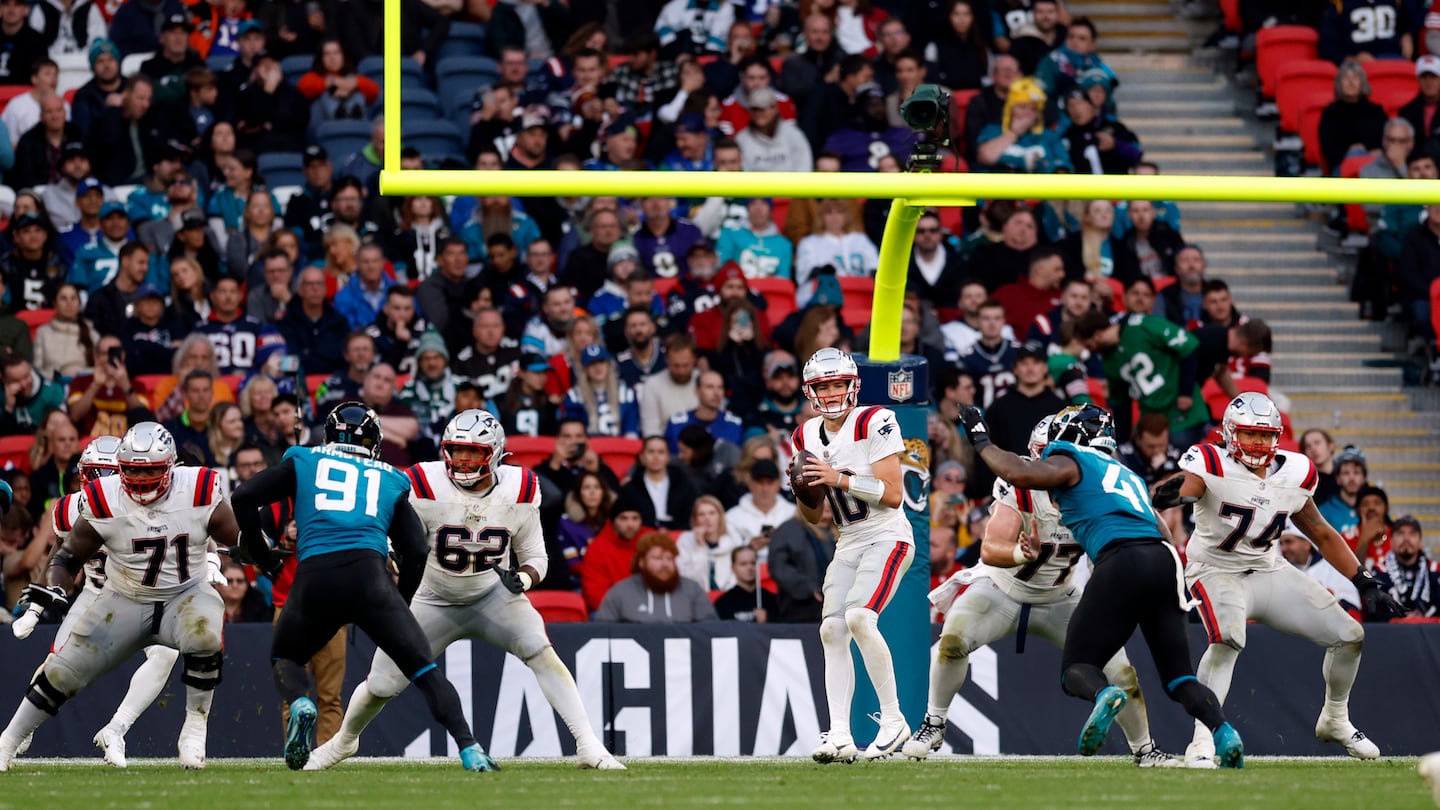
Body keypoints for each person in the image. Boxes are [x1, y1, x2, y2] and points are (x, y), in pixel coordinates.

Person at [305, 410, 623, 771]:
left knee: (541, 652)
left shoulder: (520, 488)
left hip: (492, 594)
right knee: (381, 683)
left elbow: (536, 556)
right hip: (431, 596)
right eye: (456, 450)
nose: (462, 460)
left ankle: (588, 744)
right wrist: (391, 558)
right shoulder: (423, 481)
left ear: (495, 453)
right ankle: (344, 743)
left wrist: (525, 578)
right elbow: (390, 536)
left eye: (472, 452)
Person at [958, 403, 1245, 767]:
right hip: (1164, 559)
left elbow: (1018, 472)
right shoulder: (1127, 475)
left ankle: (1105, 694)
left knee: (1077, 668)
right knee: (1179, 678)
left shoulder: (1072, 458)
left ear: (1074, 435)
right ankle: (1224, 731)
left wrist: (980, 440)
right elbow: (1161, 531)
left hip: (1122, 558)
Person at [230, 402, 494, 772]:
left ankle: (300, 703)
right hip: (371, 579)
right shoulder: (390, 476)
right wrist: (401, 602)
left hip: (316, 577)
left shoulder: (305, 460)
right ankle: (470, 748)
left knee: (286, 659)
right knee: (423, 670)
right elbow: (416, 550)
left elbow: (242, 498)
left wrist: (261, 555)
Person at [909, 415, 1176, 767]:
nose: (1051, 467)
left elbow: (1158, 538)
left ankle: (1145, 749)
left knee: (1121, 672)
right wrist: (1022, 553)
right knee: (952, 643)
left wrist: (1149, 509)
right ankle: (934, 723)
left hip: (1061, 597)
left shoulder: (1097, 491)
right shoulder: (1020, 488)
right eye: (1046, 458)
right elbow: (989, 550)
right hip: (1003, 588)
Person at [1151, 393, 1397, 766]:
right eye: (1250, 434)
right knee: (1228, 637)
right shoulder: (1210, 460)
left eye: (1266, 435)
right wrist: (1168, 493)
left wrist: (1361, 579)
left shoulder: (1295, 471)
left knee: (1349, 636)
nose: (1259, 444)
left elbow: (1320, 530)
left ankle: (1335, 719)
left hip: (1269, 569)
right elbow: (1180, 487)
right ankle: (1202, 739)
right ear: (1230, 434)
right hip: (1216, 569)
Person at [0, 423, 233, 772]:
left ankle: (174, 729)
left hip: (181, 592)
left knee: (202, 633)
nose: (140, 480)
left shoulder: (194, 488)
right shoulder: (94, 500)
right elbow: (65, 556)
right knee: (62, 671)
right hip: (115, 594)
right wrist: (45, 597)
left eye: (149, 470)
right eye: (131, 471)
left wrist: (222, 557)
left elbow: (222, 531)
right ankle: (10, 738)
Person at [790, 347, 914, 762]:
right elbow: (813, 516)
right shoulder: (805, 434)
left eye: (838, 384)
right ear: (811, 390)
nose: (830, 393)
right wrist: (804, 490)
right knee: (831, 630)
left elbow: (894, 495)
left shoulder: (873, 419)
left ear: (853, 385)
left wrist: (836, 478)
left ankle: (894, 720)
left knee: (861, 617)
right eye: (823, 386)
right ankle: (839, 734)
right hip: (848, 540)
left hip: (887, 535)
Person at [594, 530, 719, 623]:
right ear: (641, 562)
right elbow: (602, 632)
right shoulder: (620, 591)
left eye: (669, 558)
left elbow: (710, 630)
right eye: (657, 558)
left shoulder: (692, 590)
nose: (665, 564)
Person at [1374, 515, 1440, 618]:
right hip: (1391, 633)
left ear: (1420, 542)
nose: (1406, 538)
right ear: (1391, 541)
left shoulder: (1435, 571)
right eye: (1400, 533)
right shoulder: (1379, 572)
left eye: (1412, 534)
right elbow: (1375, 613)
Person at [715, 546, 778, 622]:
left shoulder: (773, 600)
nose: (749, 568)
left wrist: (769, 619)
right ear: (733, 568)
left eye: (753, 563)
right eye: (743, 564)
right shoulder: (723, 603)